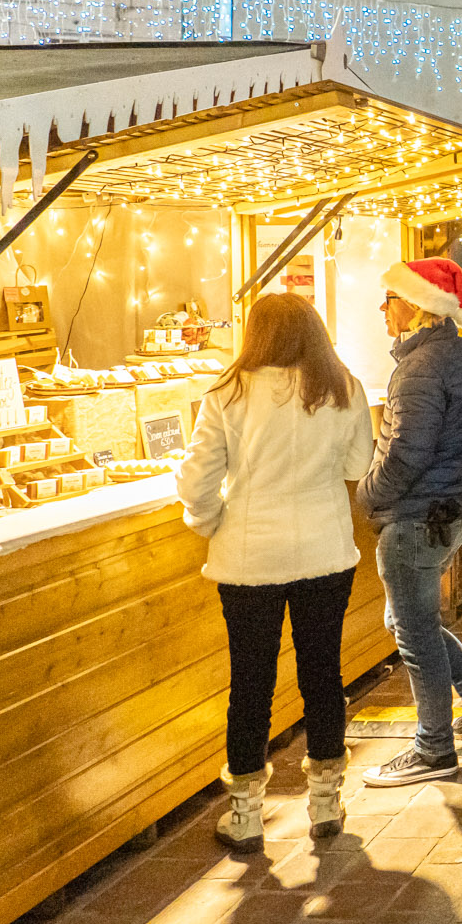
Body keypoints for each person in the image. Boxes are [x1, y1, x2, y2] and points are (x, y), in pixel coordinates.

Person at [178, 292, 375, 852]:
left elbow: (197, 481)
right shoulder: (345, 388)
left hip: (248, 558)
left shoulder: (227, 391)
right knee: (323, 675)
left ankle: (244, 813)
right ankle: (325, 802)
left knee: (251, 683)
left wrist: (212, 520)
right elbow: (359, 465)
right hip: (324, 550)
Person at [359, 257, 462, 786]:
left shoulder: (420, 368)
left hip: (418, 514)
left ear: (414, 305)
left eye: (389, 300)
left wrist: (366, 493)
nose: (383, 310)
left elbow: (405, 451)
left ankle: (433, 748)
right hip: (451, 510)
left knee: (414, 631)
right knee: (409, 621)